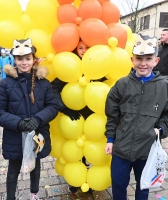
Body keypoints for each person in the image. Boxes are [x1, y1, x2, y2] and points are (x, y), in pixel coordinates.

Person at [104, 33, 168, 200]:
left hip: (147, 149)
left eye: (148, 58)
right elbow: (112, 114)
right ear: (132, 60)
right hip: (121, 148)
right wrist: (110, 139)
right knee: (118, 184)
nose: (143, 63)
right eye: (139, 58)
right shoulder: (122, 84)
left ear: (156, 61)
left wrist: (160, 129)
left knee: (143, 185)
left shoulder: (163, 86)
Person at [0, 38, 59, 200]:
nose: (24, 63)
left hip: (37, 132)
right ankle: (11, 197)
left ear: (34, 59)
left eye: (28, 58)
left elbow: (52, 106)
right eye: (20, 59)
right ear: (14, 60)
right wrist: (18, 123)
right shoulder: (5, 84)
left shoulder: (44, 83)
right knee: (13, 168)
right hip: (15, 135)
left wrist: (38, 119)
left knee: (35, 166)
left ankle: (34, 194)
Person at [52, 40, 102, 194]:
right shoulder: (68, 67)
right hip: (73, 118)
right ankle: (75, 179)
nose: (84, 50)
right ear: (75, 50)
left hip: (94, 118)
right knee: (74, 149)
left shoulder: (98, 66)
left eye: (87, 47)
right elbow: (53, 89)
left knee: (91, 148)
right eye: (80, 48)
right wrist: (64, 108)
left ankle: (91, 177)